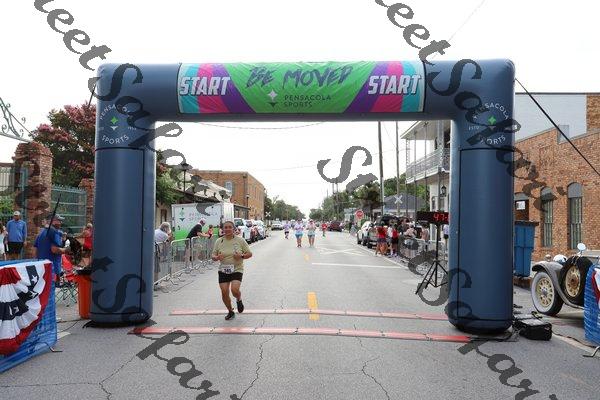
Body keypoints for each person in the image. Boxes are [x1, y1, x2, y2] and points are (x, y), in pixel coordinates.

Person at [211, 220, 252, 320]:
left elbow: (249, 254)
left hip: (237, 268)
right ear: (223, 229)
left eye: (230, 227)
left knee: (234, 290)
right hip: (223, 269)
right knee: (224, 292)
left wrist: (241, 256)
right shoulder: (219, 241)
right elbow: (213, 255)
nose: (228, 229)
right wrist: (217, 257)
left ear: (234, 229)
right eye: (225, 227)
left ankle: (238, 299)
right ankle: (230, 311)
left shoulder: (240, 240)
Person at [34, 214, 69, 278]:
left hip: (42, 266)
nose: (61, 223)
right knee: (53, 284)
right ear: (52, 221)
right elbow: (54, 250)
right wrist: (67, 250)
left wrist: (63, 240)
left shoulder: (41, 232)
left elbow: (36, 250)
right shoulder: (54, 233)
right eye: (59, 221)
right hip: (53, 268)